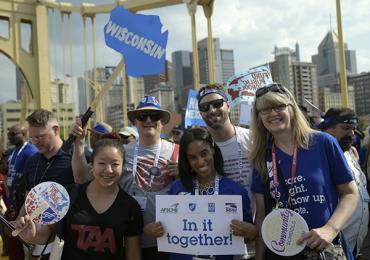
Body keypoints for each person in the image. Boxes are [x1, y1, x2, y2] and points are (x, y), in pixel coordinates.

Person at [249, 83, 358, 260]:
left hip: (325, 250)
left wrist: (330, 229)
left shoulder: (323, 143)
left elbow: (350, 194)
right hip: (282, 253)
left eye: (278, 106)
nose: (272, 113)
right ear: (259, 116)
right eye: (265, 110)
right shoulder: (261, 157)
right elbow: (262, 217)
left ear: (291, 108)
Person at [71, 95, 179, 260]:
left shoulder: (177, 152)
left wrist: (185, 174)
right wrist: (78, 144)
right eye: (142, 116)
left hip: (167, 240)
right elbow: (82, 179)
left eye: (154, 116)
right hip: (124, 238)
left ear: (162, 122)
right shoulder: (120, 152)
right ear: (135, 122)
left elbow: (197, 189)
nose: (148, 120)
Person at [15, 139, 143, 260]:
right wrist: (31, 236)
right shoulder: (69, 195)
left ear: (123, 166)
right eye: (101, 163)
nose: (108, 170)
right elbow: (49, 233)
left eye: (115, 164)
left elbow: (133, 254)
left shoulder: (130, 206)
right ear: (92, 165)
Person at [166, 128, 257, 260]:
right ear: (186, 160)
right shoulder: (176, 189)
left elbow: (248, 237)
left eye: (204, 154)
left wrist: (252, 232)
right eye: (192, 157)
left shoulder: (235, 192)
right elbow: (167, 228)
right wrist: (154, 229)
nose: (200, 161)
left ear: (213, 150)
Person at [197, 83, 255, 258]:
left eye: (217, 103)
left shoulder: (252, 139)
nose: (212, 110)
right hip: (217, 243)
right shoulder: (199, 149)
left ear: (228, 105)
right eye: (205, 107)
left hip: (254, 238)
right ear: (200, 113)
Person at [20, 109, 75, 258]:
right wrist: (19, 223)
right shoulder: (32, 162)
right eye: (32, 138)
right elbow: (28, 197)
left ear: (56, 130)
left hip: (67, 240)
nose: (36, 142)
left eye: (40, 136)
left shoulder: (75, 157)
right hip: (36, 243)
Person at [319, 107, 369, 257]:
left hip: (355, 245)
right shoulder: (319, 156)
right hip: (334, 243)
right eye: (346, 128)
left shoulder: (350, 153)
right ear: (328, 128)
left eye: (353, 129)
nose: (352, 134)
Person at [5, 124, 37, 260]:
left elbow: (30, 182)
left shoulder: (30, 151)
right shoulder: (12, 151)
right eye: (9, 134)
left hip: (23, 205)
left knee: (25, 243)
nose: (10, 137)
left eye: (13, 134)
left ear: (24, 134)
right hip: (12, 203)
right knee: (13, 243)